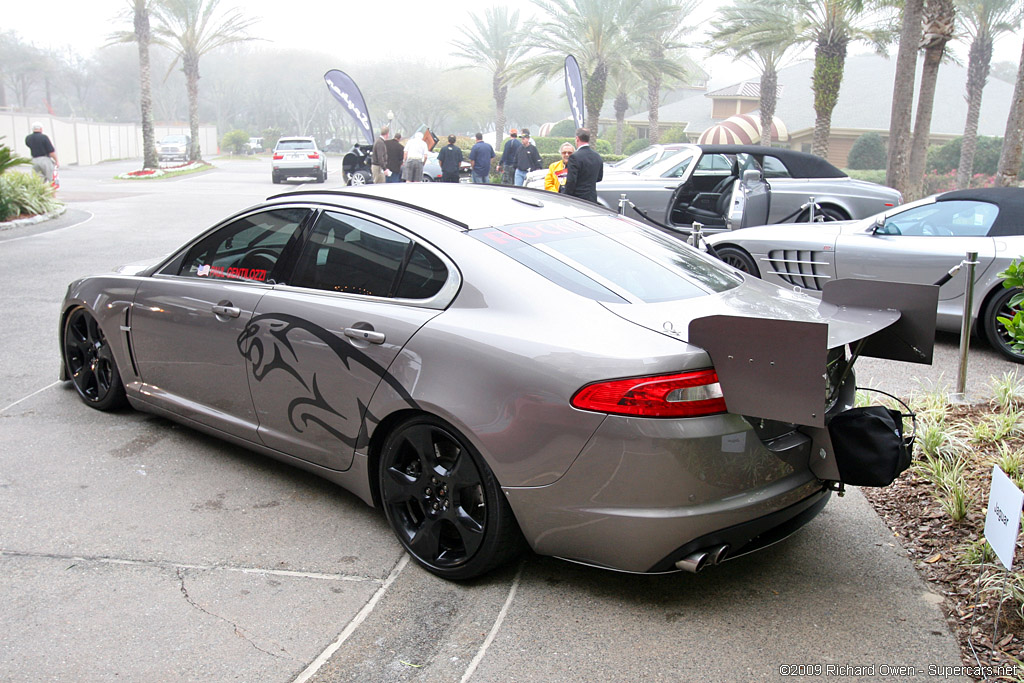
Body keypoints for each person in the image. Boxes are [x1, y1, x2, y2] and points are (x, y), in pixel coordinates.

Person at [564, 127, 604, 203]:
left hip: (577, 199)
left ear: (577, 138)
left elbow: (571, 181)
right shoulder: (597, 156)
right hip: (592, 198)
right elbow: (599, 177)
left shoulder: (574, 157)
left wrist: (566, 196)